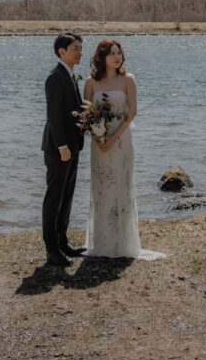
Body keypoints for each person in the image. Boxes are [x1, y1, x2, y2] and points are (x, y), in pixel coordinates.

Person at [84, 38, 164, 260]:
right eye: (112, 53)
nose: (117, 57)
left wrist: (113, 137)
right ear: (102, 57)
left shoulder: (128, 79)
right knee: (102, 185)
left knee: (121, 185)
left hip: (121, 139)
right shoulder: (91, 82)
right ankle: (102, 242)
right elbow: (87, 114)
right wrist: (99, 136)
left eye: (119, 53)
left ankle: (123, 244)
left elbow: (132, 113)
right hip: (99, 142)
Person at [41, 32, 87, 266]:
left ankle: (63, 242)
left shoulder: (70, 76)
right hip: (59, 147)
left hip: (72, 146)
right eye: (75, 48)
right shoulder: (55, 77)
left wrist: (79, 141)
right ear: (62, 51)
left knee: (67, 196)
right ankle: (52, 250)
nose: (80, 52)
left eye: (80, 48)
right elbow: (54, 116)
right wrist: (62, 145)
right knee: (54, 198)